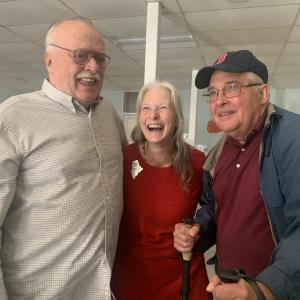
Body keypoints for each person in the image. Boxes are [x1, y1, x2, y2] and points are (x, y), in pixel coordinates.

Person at [0, 17, 127, 299]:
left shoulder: (110, 116)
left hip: (103, 290)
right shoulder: (13, 117)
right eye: (80, 56)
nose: (93, 67)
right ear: (49, 60)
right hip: (40, 292)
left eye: (100, 58)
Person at [173, 50, 300, 300]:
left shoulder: (293, 138)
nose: (219, 100)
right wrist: (197, 233)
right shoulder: (217, 153)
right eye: (213, 92)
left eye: (231, 88)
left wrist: (263, 289)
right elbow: (214, 208)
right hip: (228, 287)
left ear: (262, 94)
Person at [111, 81, 212, 300]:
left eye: (163, 108)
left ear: (176, 118)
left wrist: (197, 232)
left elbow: (213, 212)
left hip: (184, 282)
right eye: (146, 108)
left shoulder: (196, 162)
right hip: (129, 281)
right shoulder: (121, 158)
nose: (153, 115)